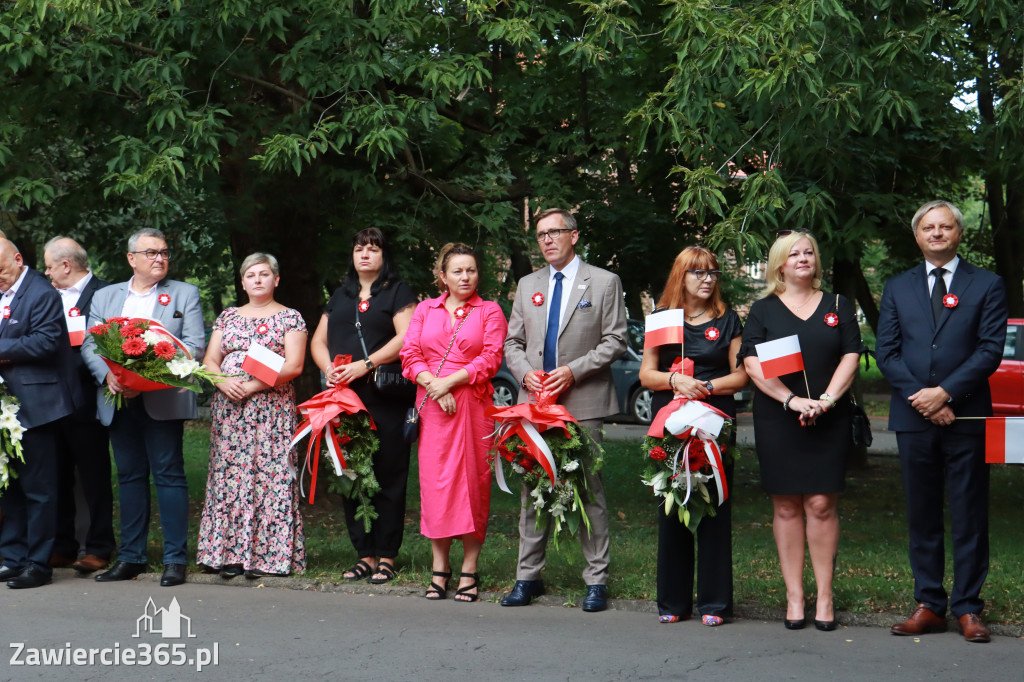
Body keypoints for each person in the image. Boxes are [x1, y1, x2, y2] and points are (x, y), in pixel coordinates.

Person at [876, 200, 1007, 644]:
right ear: (917, 236)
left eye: (945, 226)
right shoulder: (897, 287)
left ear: (958, 233)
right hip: (914, 421)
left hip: (967, 416)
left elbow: (989, 350)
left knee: (970, 513)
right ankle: (929, 604)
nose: (936, 233)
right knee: (923, 514)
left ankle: (969, 608)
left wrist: (946, 393)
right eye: (928, 227)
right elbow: (887, 352)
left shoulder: (987, 284)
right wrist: (925, 401)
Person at [501, 208, 627, 613]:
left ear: (574, 235)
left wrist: (572, 372)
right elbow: (512, 343)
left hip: (582, 400)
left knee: (587, 487)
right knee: (532, 489)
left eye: (555, 232)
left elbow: (615, 341)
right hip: (535, 402)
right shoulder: (527, 284)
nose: (547, 240)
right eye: (540, 235)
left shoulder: (604, 282)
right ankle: (527, 577)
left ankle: (596, 581)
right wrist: (525, 376)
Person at [738, 231, 861, 631]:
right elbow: (753, 364)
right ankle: (795, 595)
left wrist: (824, 400)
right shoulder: (762, 310)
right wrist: (792, 401)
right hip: (779, 417)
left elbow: (851, 355)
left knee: (822, 503)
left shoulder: (839, 305)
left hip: (829, 414)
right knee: (787, 505)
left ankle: (825, 595)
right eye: (794, 254)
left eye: (809, 252)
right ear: (780, 265)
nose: (803, 258)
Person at [81, 228, 205, 587]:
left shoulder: (184, 293)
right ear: (131, 259)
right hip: (117, 398)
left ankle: (174, 560)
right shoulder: (105, 297)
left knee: (169, 475)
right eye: (151, 253)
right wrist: (110, 376)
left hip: (162, 398)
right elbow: (92, 345)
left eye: (164, 252)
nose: (160, 258)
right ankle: (131, 558)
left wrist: (147, 376)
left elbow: (194, 346)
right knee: (130, 477)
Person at [639, 246, 748, 626]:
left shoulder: (729, 319)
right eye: (699, 273)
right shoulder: (662, 319)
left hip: (715, 419)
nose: (707, 280)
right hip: (670, 420)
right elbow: (647, 375)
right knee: (672, 505)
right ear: (681, 276)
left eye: (713, 273)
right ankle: (673, 602)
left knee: (714, 505)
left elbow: (741, 375)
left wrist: (703, 386)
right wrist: (675, 381)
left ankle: (715, 604)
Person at [310, 228, 417, 585]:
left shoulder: (397, 292)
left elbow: (406, 337)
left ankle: (386, 556)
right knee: (351, 475)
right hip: (345, 400)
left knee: (388, 474)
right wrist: (330, 369)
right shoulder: (341, 295)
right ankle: (364, 555)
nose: (366, 254)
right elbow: (318, 341)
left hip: (384, 397)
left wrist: (365, 364)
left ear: (385, 256)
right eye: (360, 249)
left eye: (373, 249)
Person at [400, 243, 507, 602]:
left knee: (473, 485)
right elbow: (409, 354)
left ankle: (470, 570)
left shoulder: (489, 311)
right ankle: (439, 568)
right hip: (432, 406)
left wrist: (452, 381)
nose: (465, 277)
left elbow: (491, 358)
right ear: (442, 276)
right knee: (436, 488)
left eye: (471, 270)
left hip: (473, 407)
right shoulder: (425, 310)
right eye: (458, 271)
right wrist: (434, 383)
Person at [196, 253, 307, 579]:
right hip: (230, 412)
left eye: (264, 274)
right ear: (242, 282)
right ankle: (226, 555)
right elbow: (210, 360)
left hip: (270, 412)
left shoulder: (290, 317)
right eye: (251, 275)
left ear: (276, 279)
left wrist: (253, 386)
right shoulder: (228, 316)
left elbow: (294, 365)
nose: (257, 279)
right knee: (230, 479)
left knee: (268, 478)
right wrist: (224, 381)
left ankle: (267, 558)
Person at [0, 239, 80, 589]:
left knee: (39, 489)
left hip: (37, 405)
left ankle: (39, 563)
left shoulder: (41, 293)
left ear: (17, 259)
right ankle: (13, 557)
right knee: (10, 487)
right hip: (6, 407)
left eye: (0, 271)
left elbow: (45, 342)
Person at [42, 237, 115, 574]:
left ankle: (99, 546)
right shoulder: (46, 297)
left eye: (49, 266)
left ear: (66, 265)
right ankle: (62, 544)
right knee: (56, 475)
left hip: (88, 398)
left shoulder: (106, 294)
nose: (46, 272)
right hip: (49, 399)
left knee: (94, 477)